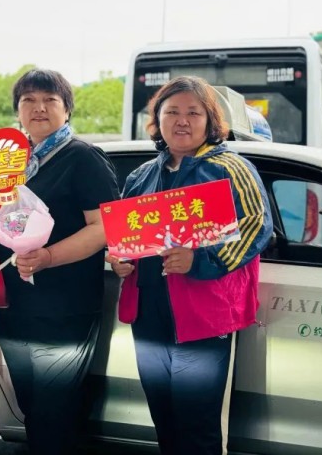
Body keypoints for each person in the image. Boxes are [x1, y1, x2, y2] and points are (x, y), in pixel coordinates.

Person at [107, 76, 273, 455]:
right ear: (158, 120)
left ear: (210, 120)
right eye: (172, 112)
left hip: (203, 315)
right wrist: (119, 260)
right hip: (149, 315)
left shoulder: (231, 167)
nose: (182, 120)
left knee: (197, 424)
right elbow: (124, 239)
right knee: (163, 417)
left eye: (193, 113)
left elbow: (257, 226)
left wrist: (200, 260)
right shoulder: (141, 176)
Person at [0, 68, 119, 455]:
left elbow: (104, 228)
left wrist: (48, 257)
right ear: (18, 111)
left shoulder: (82, 158)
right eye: (28, 100)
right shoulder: (9, 164)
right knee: (31, 407)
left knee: (54, 413)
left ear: (67, 109)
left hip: (64, 311)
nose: (39, 107)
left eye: (50, 100)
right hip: (15, 308)